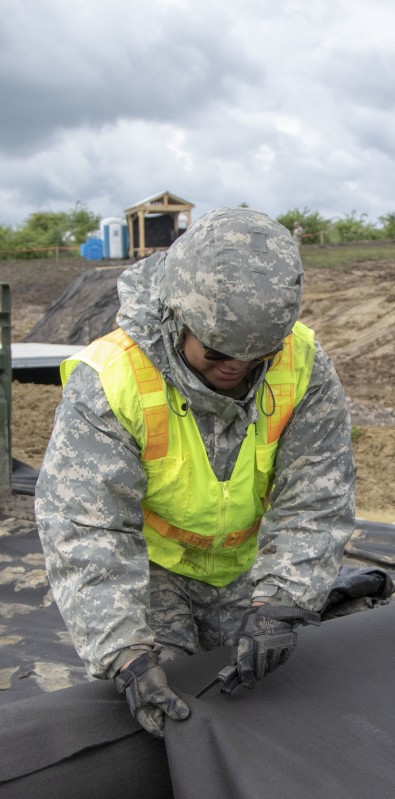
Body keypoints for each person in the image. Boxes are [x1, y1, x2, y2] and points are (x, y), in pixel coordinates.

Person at [35, 206, 356, 734]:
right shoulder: (112, 379)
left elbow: (316, 495)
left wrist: (281, 602)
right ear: (176, 315)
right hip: (153, 572)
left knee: (269, 699)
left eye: (258, 357)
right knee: (166, 703)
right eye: (217, 353)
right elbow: (85, 528)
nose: (237, 367)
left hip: (245, 567)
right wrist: (125, 654)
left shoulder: (302, 362)